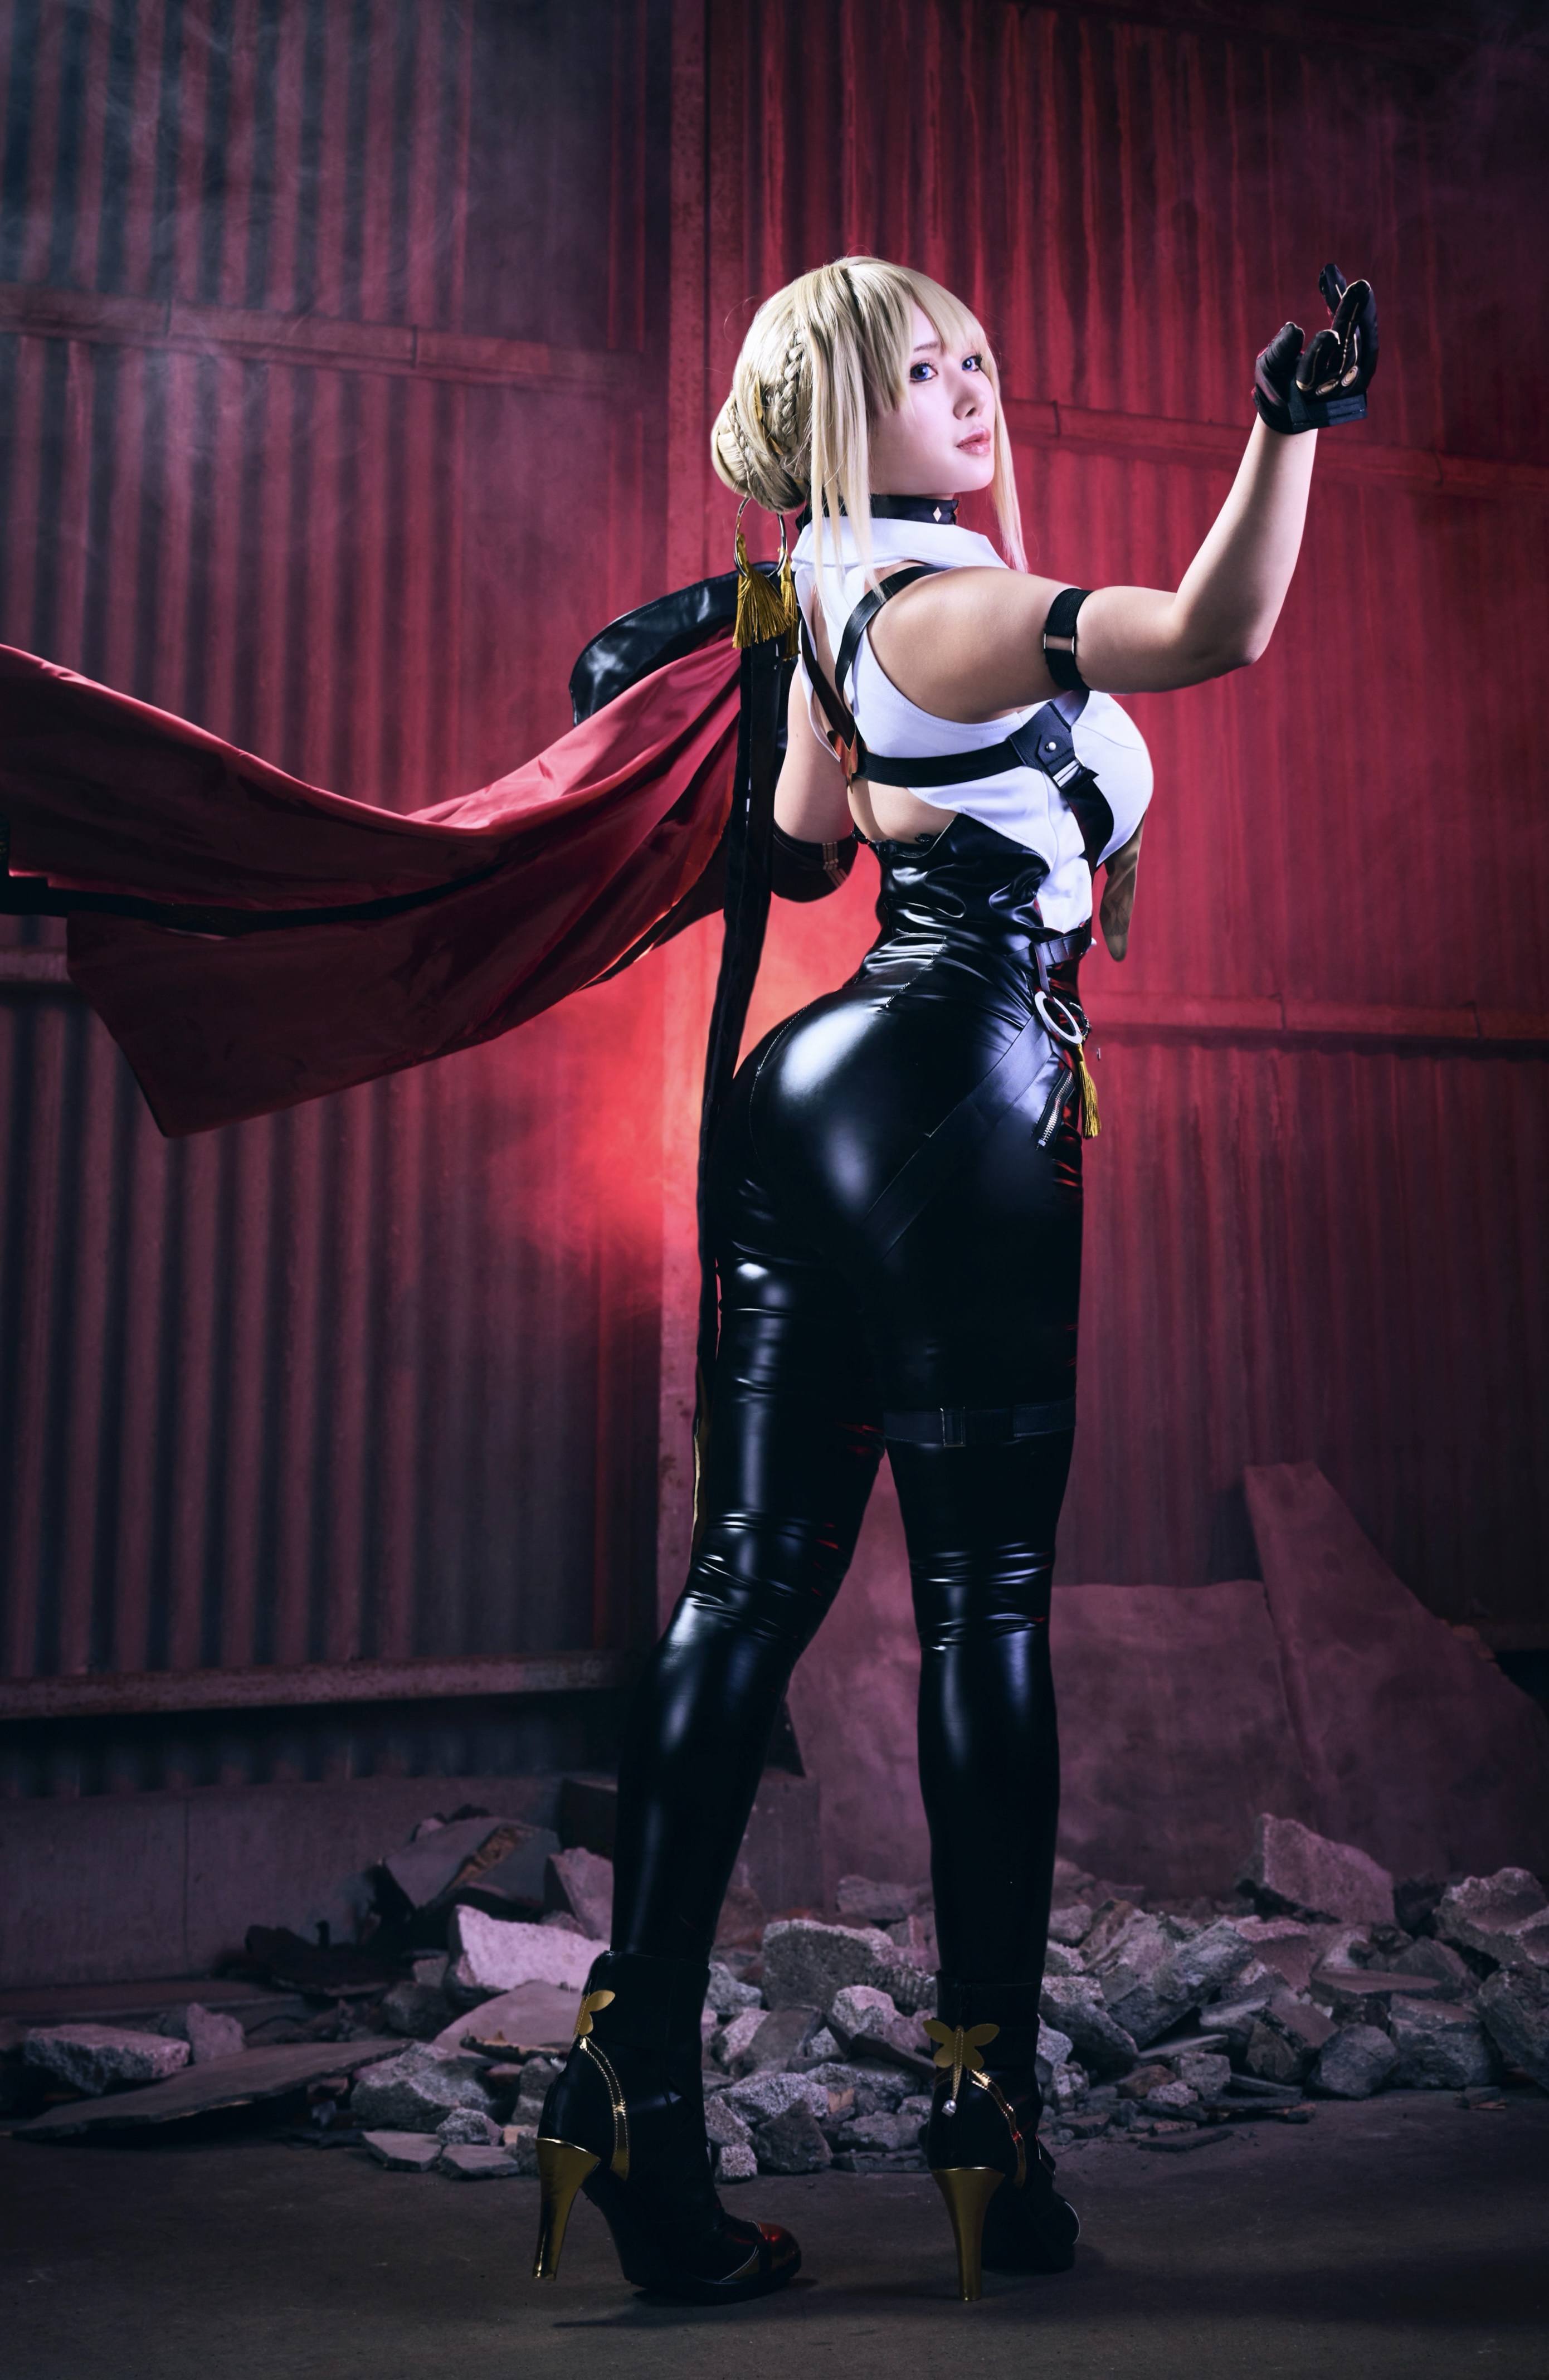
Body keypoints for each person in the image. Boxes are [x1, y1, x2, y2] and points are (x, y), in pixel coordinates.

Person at [529, 254, 1377, 2305]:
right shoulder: (951, 605)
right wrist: (1283, 435)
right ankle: (989, 2119)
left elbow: (810, 837)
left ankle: (629, 2086)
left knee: (744, 1586)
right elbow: (1210, 632)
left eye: (980, 354)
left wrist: (749, 633)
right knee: (980, 1604)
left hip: (806, 1087)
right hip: (965, 1081)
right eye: (927, 369)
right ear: (843, 416)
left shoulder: (832, 599)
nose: (977, 387)